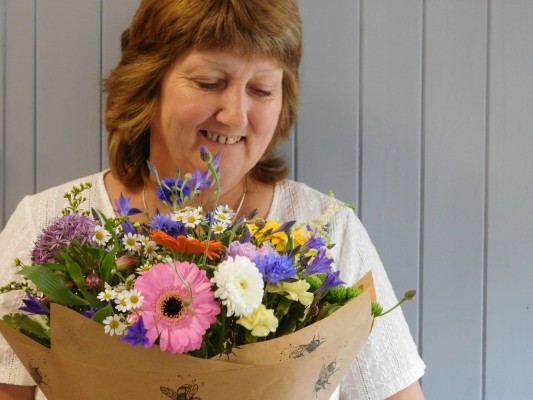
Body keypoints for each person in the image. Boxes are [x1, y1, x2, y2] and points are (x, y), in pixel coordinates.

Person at [0, 0, 425, 399]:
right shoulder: (49, 225)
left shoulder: (327, 228)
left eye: (261, 90)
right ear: (149, 84)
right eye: (209, 83)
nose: (236, 115)